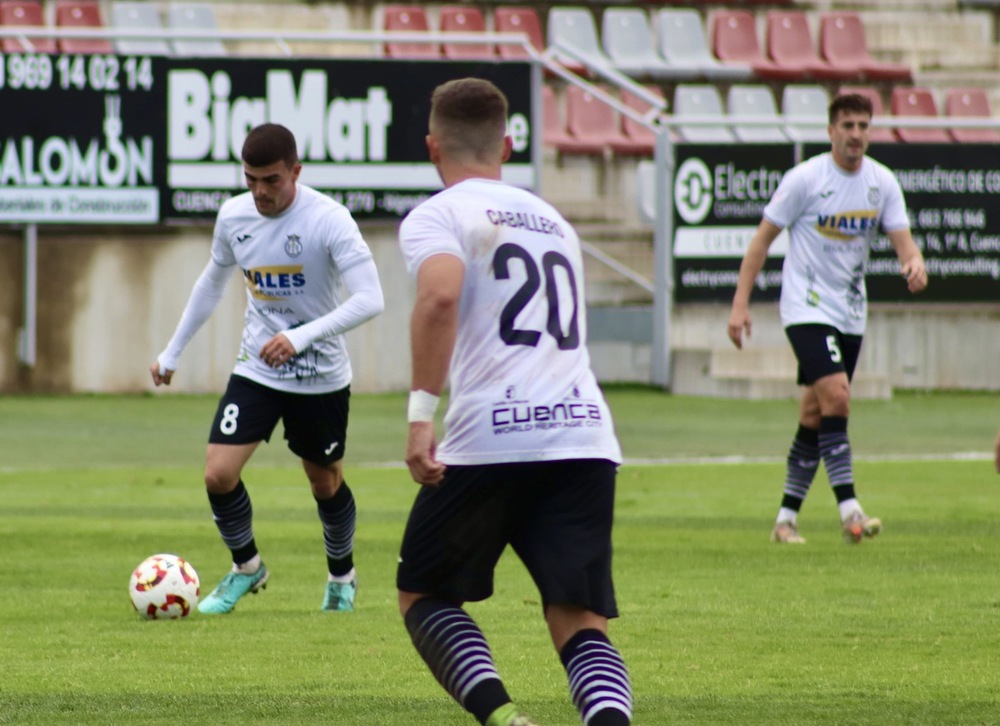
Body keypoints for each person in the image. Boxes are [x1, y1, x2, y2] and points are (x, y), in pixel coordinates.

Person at [396, 78, 634, 726]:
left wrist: (421, 415)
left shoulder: (439, 214)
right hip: (583, 434)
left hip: (492, 435)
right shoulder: (552, 219)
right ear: (507, 144)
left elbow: (440, 296)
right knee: (578, 617)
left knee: (424, 592)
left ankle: (505, 720)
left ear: (431, 145)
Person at [150, 123, 384, 613]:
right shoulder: (234, 216)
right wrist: (172, 351)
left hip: (320, 374)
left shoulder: (329, 220)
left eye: (271, 180)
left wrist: (301, 336)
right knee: (218, 473)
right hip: (258, 368)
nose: (259, 191)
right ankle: (247, 568)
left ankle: (342, 576)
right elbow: (211, 283)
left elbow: (370, 299)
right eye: (251, 179)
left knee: (325, 483)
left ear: (296, 172)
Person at [727, 93, 927, 545]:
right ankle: (850, 510)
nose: (856, 134)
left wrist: (915, 265)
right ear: (831, 131)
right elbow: (760, 241)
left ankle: (785, 519)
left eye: (863, 126)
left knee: (815, 412)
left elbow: (904, 244)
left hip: (851, 312)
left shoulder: (882, 183)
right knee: (837, 396)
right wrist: (740, 305)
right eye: (848, 125)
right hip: (806, 307)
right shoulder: (806, 179)